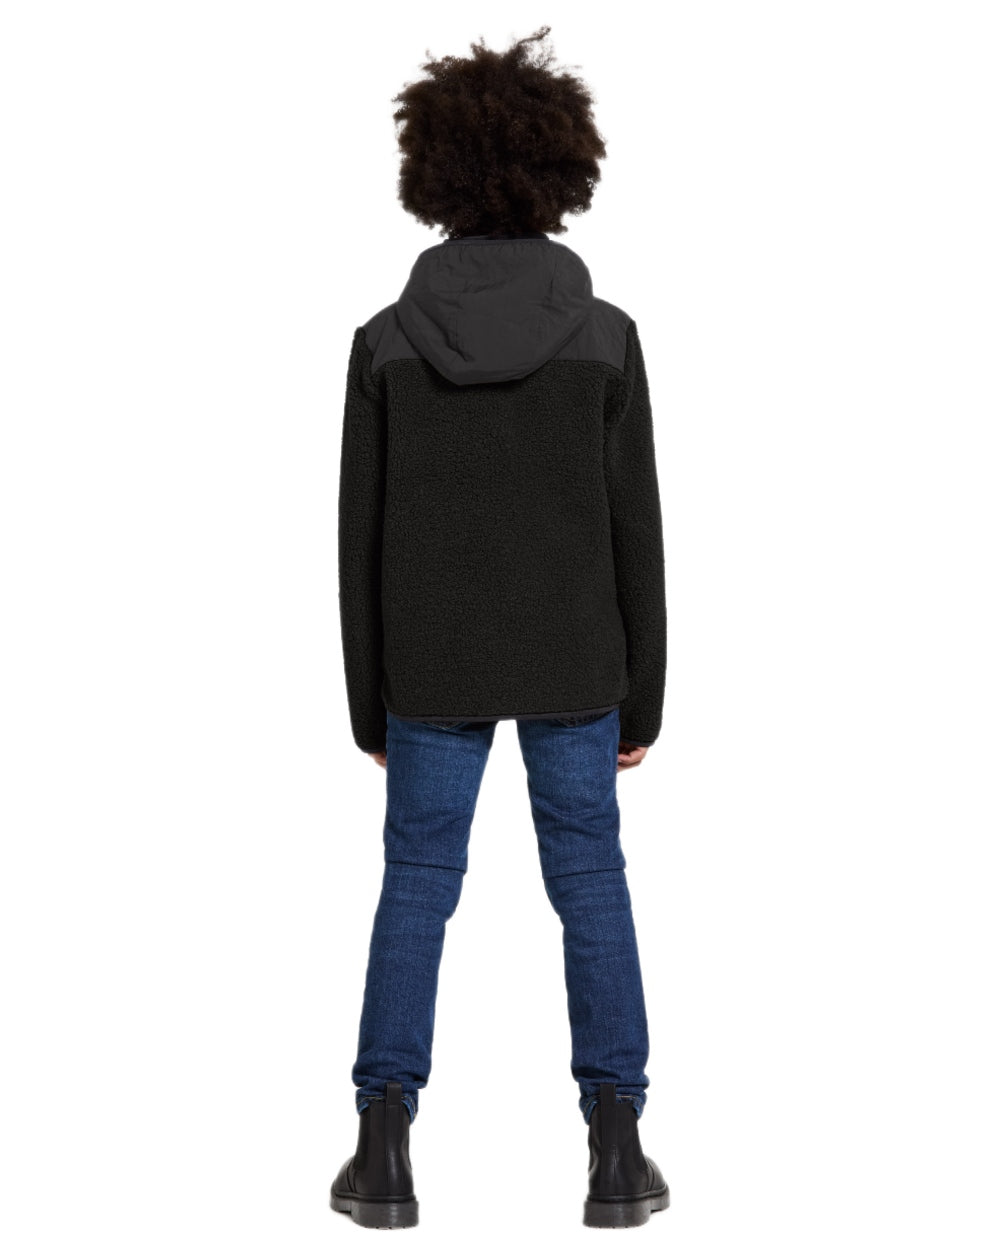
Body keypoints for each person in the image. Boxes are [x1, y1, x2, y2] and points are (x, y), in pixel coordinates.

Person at [329, 25, 669, 1229]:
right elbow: (636, 530)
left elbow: (357, 542)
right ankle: (617, 1144)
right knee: (590, 879)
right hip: (577, 653)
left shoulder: (385, 342)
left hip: (430, 660)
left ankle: (381, 1143)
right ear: (558, 169)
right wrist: (644, 697)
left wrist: (369, 703)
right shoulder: (606, 336)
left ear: (434, 173)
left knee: (417, 883)